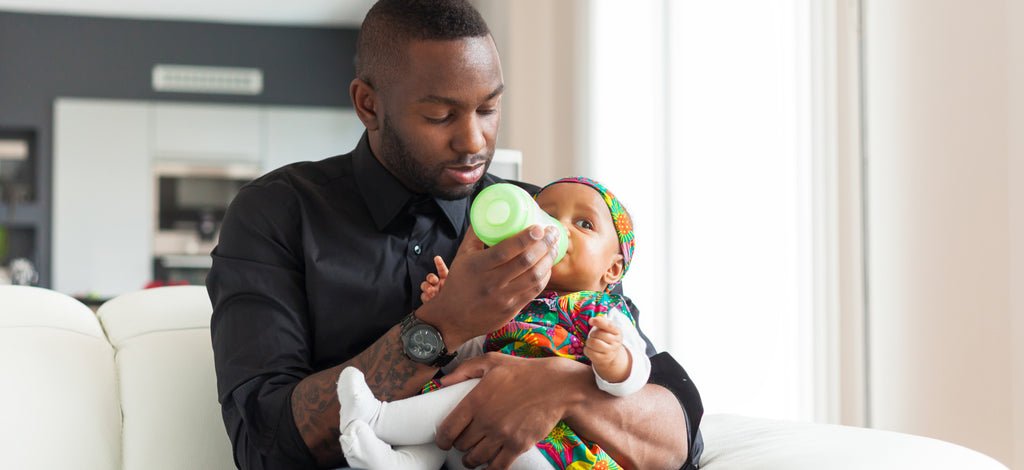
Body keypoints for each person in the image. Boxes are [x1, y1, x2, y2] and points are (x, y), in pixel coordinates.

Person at [207, 1, 703, 469]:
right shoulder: (278, 214)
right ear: (368, 105)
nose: (473, 141)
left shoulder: (541, 218)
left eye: (488, 109)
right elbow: (263, 443)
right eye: (440, 115)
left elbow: (678, 433)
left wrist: (562, 386)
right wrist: (445, 323)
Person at [336, 177, 650, 469]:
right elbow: (467, 358)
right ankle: (402, 463)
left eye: (584, 224)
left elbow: (638, 373)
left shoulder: (603, 311)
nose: (559, 228)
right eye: (548, 216)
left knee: (483, 390)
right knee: (453, 386)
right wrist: (449, 307)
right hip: (480, 440)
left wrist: (615, 360)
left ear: (612, 269)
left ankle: (378, 419)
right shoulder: (511, 299)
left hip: (555, 446)